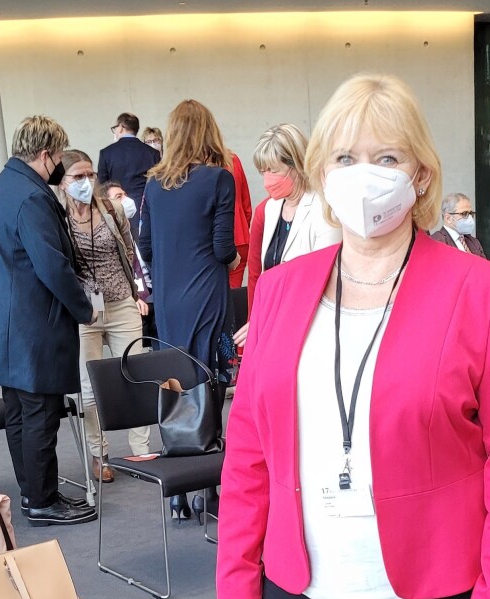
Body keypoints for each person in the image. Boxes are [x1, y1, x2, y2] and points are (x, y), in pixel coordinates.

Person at [217, 73, 490, 599]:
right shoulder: (277, 290)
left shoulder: (486, 294)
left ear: (420, 174)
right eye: (344, 157)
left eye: (386, 156)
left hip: (430, 593)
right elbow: (249, 445)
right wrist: (237, 574)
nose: (362, 174)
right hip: (297, 587)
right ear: (320, 172)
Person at [0, 115, 97, 527]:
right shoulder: (33, 197)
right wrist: (85, 308)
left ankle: (34, 494)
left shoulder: (1, 187)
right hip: (31, 326)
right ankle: (43, 501)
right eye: (59, 155)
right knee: (41, 413)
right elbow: (52, 267)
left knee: (21, 415)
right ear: (46, 155)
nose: (60, 163)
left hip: (4, 325)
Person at [138, 100, 239, 520]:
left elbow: (144, 246)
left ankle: (178, 492)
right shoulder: (219, 179)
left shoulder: (154, 184)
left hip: (170, 297)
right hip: (206, 294)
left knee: (175, 383)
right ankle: (209, 489)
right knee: (210, 383)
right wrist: (233, 262)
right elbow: (222, 248)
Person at [58, 150, 151, 483]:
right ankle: (100, 454)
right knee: (89, 387)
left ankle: (142, 450)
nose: (86, 182)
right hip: (84, 312)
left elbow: (130, 249)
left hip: (121, 302)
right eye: (77, 177)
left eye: (90, 174)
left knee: (135, 374)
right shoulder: (57, 217)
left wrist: (135, 291)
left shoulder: (111, 209)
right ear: (62, 181)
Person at [244, 123, 342, 322]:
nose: (267, 179)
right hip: (271, 320)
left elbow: (322, 279)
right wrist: (255, 320)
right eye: (263, 171)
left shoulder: (325, 209)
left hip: (307, 320)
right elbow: (258, 276)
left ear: (296, 165)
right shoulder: (269, 209)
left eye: (273, 170)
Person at [101, 180, 156, 339]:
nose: (126, 200)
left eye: (125, 194)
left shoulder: (138, 231)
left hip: (153, 296)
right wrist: (134, 297)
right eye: (119, 196)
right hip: (130, 299)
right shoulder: (106, 237)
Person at [97, 112, 162, 237]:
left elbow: (102, 187)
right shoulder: (152, 153)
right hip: (147, 208)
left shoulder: (106, 153)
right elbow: (158, 183)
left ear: (120, 127)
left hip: (116, 207)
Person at [430, 192, 486, 258]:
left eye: (471, 213)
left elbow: (484, 266)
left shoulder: (474, 242)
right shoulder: (436, 242)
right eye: (464, 214)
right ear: (448, 218)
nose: (470, 218)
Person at [229, 151, 255, 288]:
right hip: (239, 237)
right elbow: (247, 207)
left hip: (208, 244)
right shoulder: (232, 159)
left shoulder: (192, 167)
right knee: (233, 296)